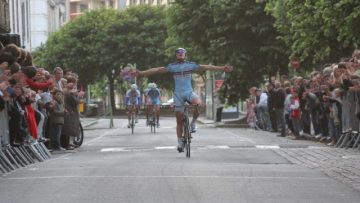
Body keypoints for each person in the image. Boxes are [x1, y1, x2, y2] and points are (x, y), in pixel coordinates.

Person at [132, 47, 233, 152]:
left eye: (182, 52)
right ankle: (180, 141)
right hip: (178, 95)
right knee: (179, 120)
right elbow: (157, 70)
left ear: (185, 54)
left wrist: (222, 68)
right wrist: (142, 73)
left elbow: (206, 66)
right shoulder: (172, 67)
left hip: (189, 92)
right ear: (176, 55)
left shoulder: (190, 65)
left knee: (199, 104)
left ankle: (193, 123)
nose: (180, 54)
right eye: (178, 52)